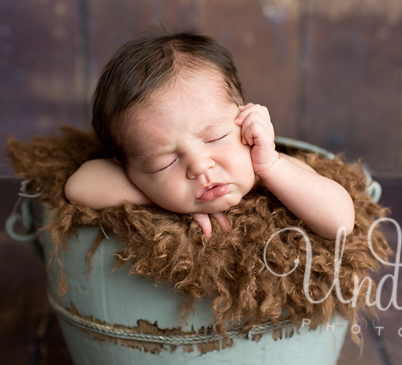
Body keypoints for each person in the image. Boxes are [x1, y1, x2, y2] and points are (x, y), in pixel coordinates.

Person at [64, 31, 355, 240]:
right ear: (126, 167)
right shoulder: (144, 180)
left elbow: (340, 222)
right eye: (165, 162)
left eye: (215, 137)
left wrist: (271, 165)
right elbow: (78, 185)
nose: (200, 165)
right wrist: (161, 195)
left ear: (243, 121)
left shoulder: (266, 169)